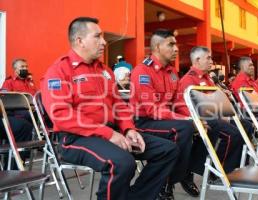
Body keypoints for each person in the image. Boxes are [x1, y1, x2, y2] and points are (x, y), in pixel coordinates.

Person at [41, 17, 178, 200]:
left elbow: (119, 105)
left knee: (168, 150)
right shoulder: (59, 71)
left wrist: (129, 128)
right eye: (97, 36)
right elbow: (62, 116)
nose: (104, 42)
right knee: (121, 163)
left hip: (110, 133)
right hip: (75, 138)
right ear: (79, 41)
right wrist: (108, 134)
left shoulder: (104, 71)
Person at [130, 29, 194, 199]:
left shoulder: (172, 72)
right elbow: (152, 110)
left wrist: (193, 118)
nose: (176, 49)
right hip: (143, 122)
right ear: (157, 47)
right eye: (171, 44)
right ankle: (167, 182)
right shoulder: (142, 71)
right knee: (184, 128)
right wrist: (187, 120)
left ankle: (185, 174)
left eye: (176, 44)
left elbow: (179, 102)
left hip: (163, 120)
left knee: (203, 127)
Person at [174, 46, 245, 191]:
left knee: (246, 126)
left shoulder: (208, 79)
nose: (211, 61)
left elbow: (216, 100)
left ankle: (220, 167)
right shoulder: (188, 79)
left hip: (215, 117)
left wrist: (222, 113)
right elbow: (186, 106)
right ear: (197, 60)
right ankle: (215, 171)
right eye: (208, 58)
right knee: (233, 134)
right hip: (201, 118)